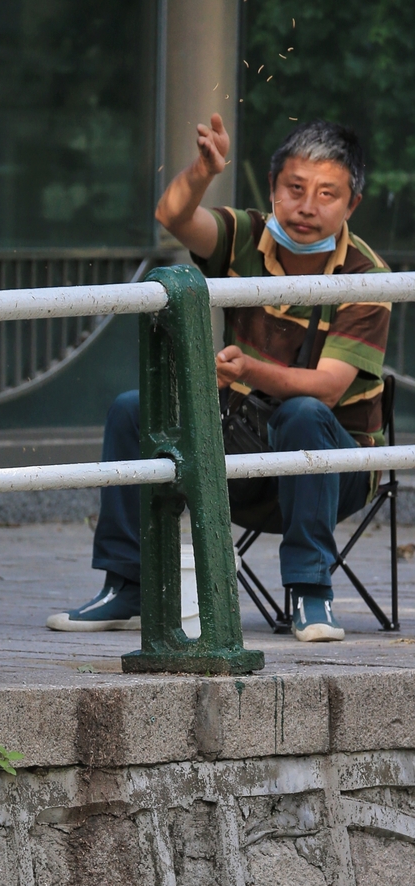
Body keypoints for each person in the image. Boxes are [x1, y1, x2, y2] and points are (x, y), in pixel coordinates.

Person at [47, 115, 391, 643]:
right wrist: (205, 170)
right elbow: (173, 214)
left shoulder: (367, 278)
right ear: (273, 189)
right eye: (294, 189)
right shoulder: (248, 236)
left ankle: (310, 592)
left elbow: (327, 388)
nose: (306, 206)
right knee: (133, 410)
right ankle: (130, 586)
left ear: (352, 205)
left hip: (335, 466)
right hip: (244, 443)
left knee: (303, 413)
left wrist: (249, 370)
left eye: (327, 194)